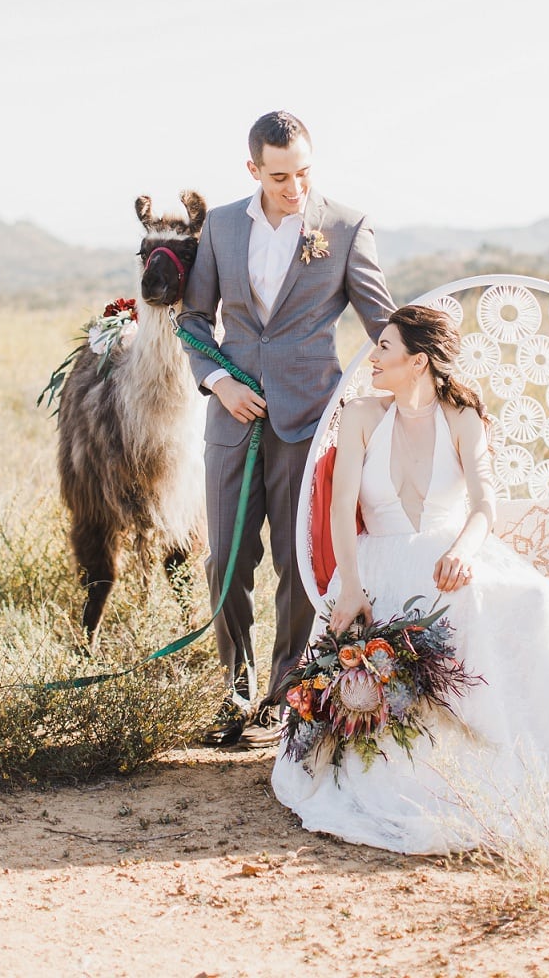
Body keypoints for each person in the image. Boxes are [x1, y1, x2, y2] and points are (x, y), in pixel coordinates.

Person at [271, 305, 549, 853]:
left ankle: (521, 757)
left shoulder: (462, 418)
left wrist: (461, 549)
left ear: (418, 362)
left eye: (384, 348)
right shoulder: (361, 414)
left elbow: (485, 507)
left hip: (449, 555)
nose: (371, 358)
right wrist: (351, 585)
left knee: (530, 605)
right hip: (378, 562)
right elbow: (341, 510)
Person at [178, 110, 395, 747]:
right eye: (279, 176)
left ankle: (283, 698)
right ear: (254, 170)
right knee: (224, 562)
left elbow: (384, 325)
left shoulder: (347, 227)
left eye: (303, 172)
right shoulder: (218, 228)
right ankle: (234, 693)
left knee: (299, 568)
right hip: (232, 422)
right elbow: (193, 322)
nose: (294, 186)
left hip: (310, 421)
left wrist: (427, 369)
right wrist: (221, 382)